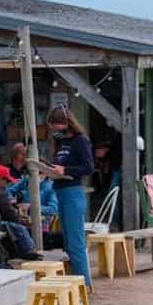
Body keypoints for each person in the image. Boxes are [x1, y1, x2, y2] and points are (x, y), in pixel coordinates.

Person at [44, 107, 94, 287]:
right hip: (60, 190)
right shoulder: (61, 141)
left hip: (73, 191)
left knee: (75, 241)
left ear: (65, 123)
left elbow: (88, 168)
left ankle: (84, 285)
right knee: (67, 241)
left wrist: (65, 170)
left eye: (55, 125)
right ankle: (75, 282)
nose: (54, 130)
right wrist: (50, 169)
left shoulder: (80, 140)